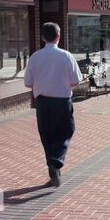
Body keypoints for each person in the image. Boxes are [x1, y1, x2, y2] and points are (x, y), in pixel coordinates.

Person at [24, 22, 82, 188]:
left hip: (42, 102)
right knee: (65, 131)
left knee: (46, 135)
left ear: (43, 37)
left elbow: (28, 83)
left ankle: (52, 166)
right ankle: (55, 164)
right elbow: (75, 81)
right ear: (59, 36)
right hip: (62, 101)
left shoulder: (35, 57)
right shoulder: (66, 56)